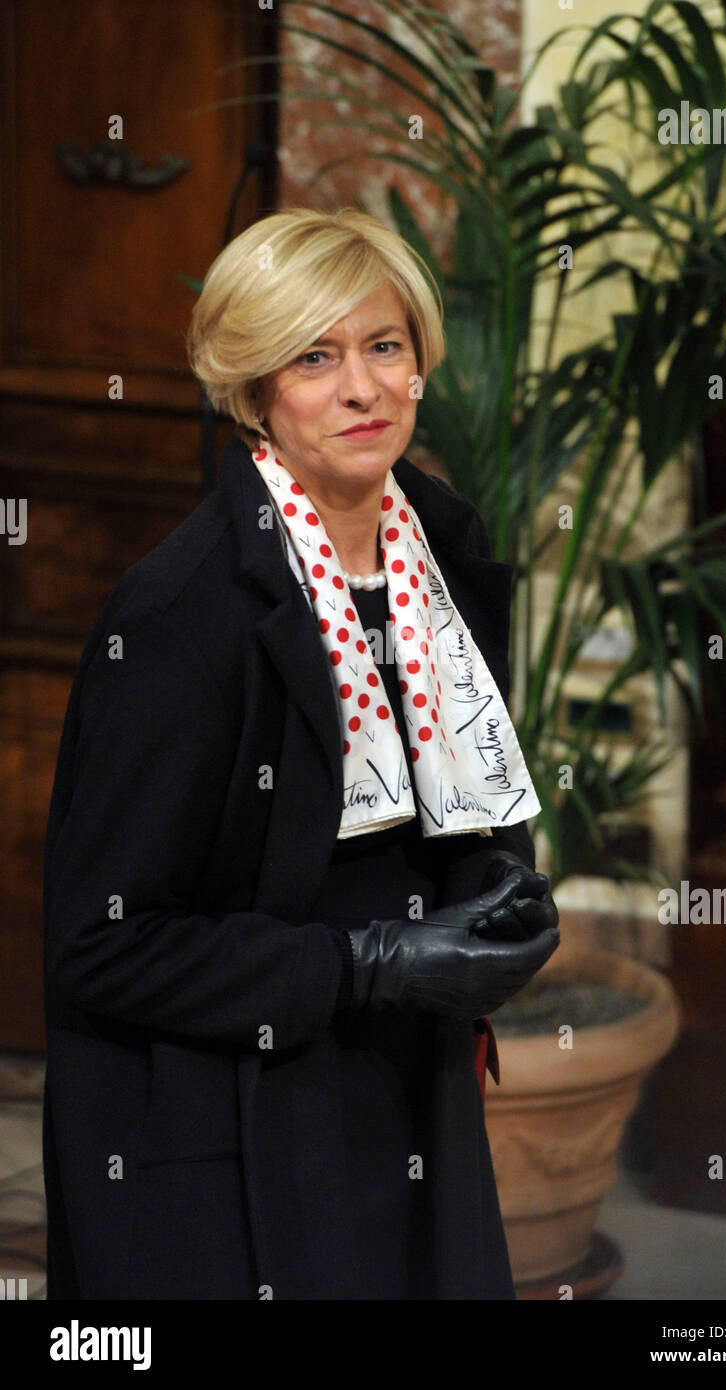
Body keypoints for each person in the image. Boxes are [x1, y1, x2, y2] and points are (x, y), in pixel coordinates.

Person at [41, 206, 560, 1301]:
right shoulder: (184, 614)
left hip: (412, 1092)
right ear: (251, 390)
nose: (363, 388)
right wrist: (365, 962)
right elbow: (101, 945)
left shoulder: (445, 547)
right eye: (313, 357)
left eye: (384, 346)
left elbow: (463, 798)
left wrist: (499, 896)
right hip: (233, 1127)